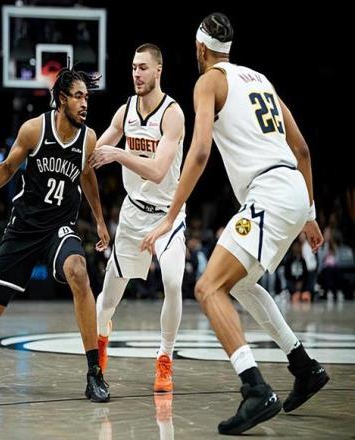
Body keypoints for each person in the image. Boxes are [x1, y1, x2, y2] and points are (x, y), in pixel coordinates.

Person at [141, 13, 329, 434]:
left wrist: (171, 215)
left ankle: (255, 388)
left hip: (269, 193)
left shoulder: (208, 82)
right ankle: (304, 367)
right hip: (293, 190)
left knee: (207, 287)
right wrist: (310, 214)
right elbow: (302, 149)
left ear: (200, 48)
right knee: (241, 284)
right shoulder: (261, 80)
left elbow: (200, 152)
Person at [0, 67, 111, 403]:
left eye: (87, 97)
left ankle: (94, 372)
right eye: (78, 96)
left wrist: (100, 220)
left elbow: (87, 177)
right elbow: (7, 167)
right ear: (61, 99)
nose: (84, 103)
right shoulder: (35, 129)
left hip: (59, 227)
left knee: (79, 271)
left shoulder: (88, 138)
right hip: (23, 229)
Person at [90, 43, 186, 392]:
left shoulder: (172, 114)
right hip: (133, 214)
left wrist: (118, 155)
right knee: (107, 300)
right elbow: (95, 152)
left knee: (173, 282)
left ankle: (165, 358)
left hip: (168, 215)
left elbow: (158, 171)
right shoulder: (125, 111)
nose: (137, 73)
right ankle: (101, 340)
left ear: (158, 70)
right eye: (133, 67)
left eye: (143, 67)